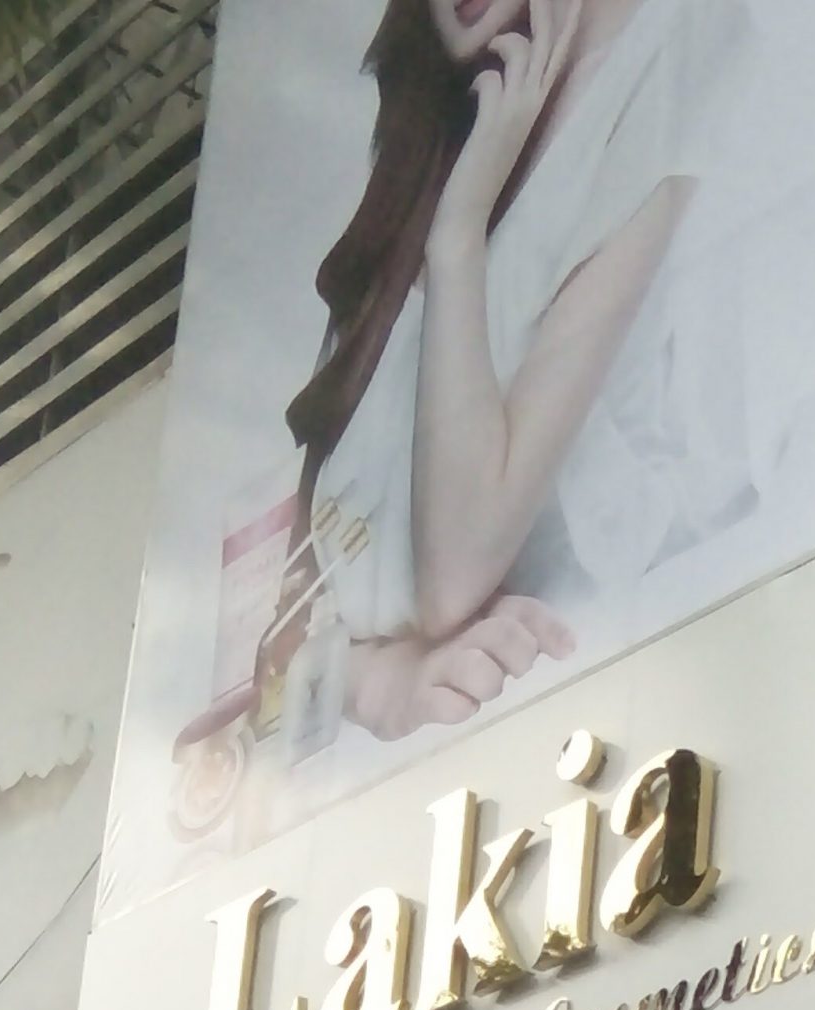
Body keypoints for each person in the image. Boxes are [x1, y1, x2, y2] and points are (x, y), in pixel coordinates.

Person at [288, 0, 754, 743]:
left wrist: (458, 237)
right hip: (470, 747)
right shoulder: (459, 106)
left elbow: (454, 572)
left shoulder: (676, 60)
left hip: (617, 703)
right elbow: (298, 590)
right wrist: (370, 679)